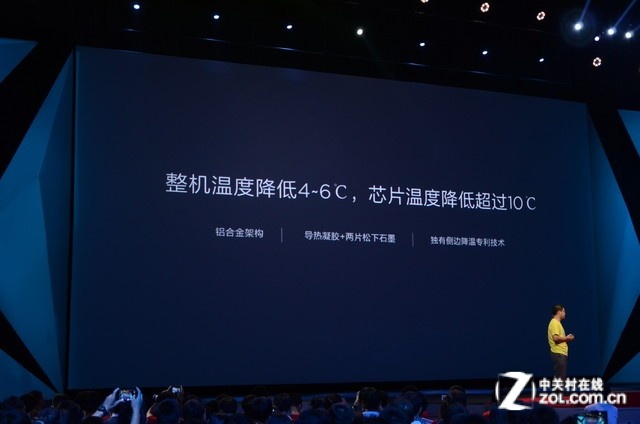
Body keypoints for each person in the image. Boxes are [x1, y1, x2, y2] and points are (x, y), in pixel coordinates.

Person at [547, 305, 575, 379]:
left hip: (560, 353)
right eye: (563, 311)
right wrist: (567, 338)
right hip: (558, 353)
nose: (565, 313)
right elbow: (555, 338)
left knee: (560, 378)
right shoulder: (554, 323)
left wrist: (566, 338)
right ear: (559, 312)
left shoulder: (557, 323)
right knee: (560, 378)